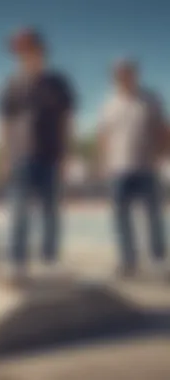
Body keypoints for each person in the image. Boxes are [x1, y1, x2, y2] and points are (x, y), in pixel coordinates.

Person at [0, 28, 76, 285]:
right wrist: (3, 156)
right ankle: (17, 263)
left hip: (50, 156)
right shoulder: (11, 84)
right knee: (19, 212)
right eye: (19, 51)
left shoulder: (58, 83)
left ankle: (49, 259)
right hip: (20, 157)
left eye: (28, 50)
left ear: (40, 51)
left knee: (51, 211)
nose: (24, 55)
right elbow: (4, 123)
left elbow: (67, 121)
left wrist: (66, 155)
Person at [97, 58, 168, 278]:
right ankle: (128, 262)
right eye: (120, 74)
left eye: (128, 73)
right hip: (118, 169)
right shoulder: (108, 104)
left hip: (146, 167)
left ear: (135, 75)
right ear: (115, 77)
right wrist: (103, 162)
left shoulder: (150, 99)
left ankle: (159, 260)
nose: (124, 77)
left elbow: (163, 129)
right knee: (121, 219)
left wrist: (161, 156)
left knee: (153, 216)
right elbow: (104, 136)